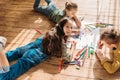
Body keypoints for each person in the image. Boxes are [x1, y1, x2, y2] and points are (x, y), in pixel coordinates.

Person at [0, 17, 75, 80]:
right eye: (67, 27)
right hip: (36, 54)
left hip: (34, 44)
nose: (70, 29)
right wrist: (73, 48)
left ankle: (1, 52)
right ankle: (1, 48)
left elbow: (61, 29)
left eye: (71, 27)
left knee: (15, 53)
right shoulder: (61, 42)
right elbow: (67, 58)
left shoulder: (53, 31)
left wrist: (68, 32)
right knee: (7, 76)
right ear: (61, 26)